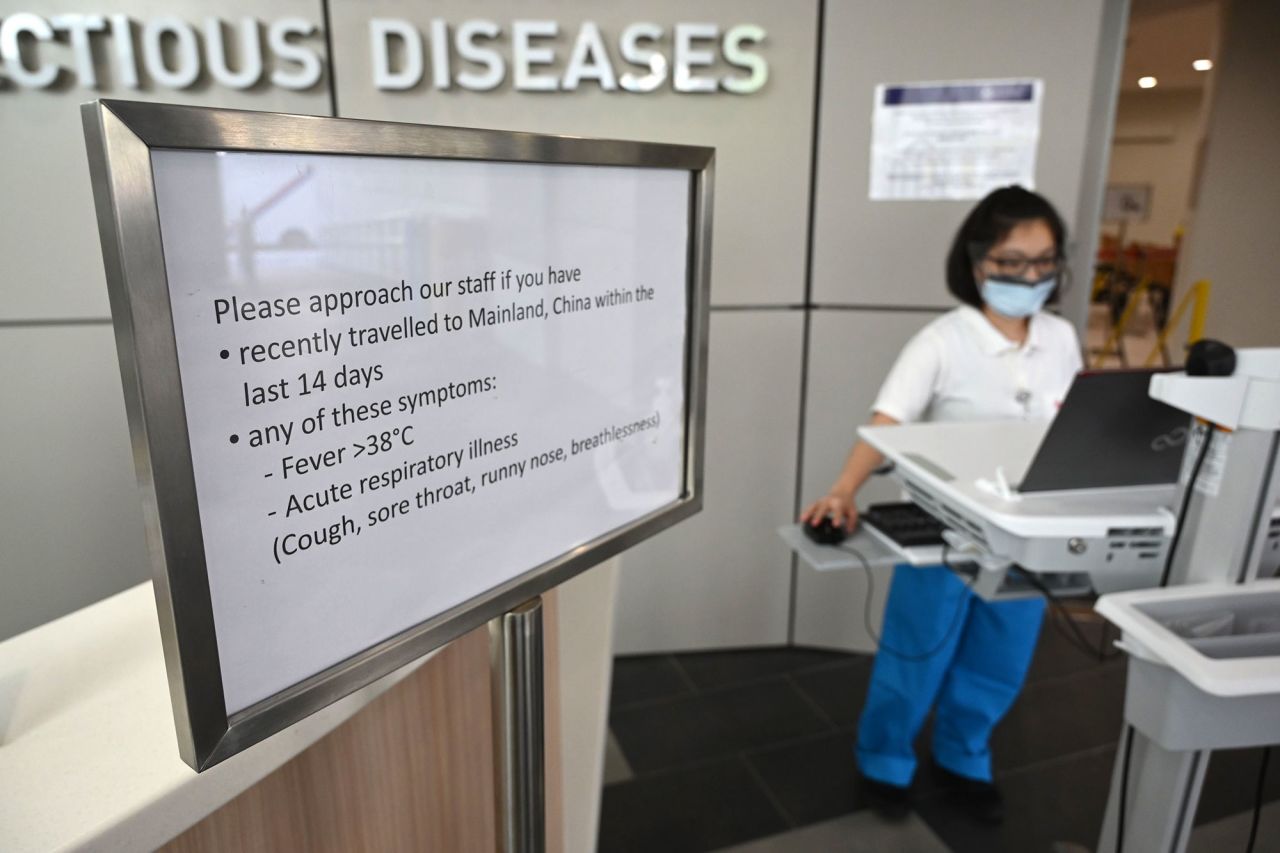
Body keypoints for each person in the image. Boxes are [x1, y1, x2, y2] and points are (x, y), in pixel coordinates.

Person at [801, 185, 1083, 823]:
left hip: (1027, 531)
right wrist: (844, 490)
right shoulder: (942, 341)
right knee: (917, 650)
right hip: (943, 533)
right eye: (1012, 260)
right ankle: (885, 756)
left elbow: (1068, 427)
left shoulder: (1061, 338)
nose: (1029, 275)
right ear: (978, 260)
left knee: (1000, 655)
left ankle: (964, 752)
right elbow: (887, 422)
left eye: (1043, 260)